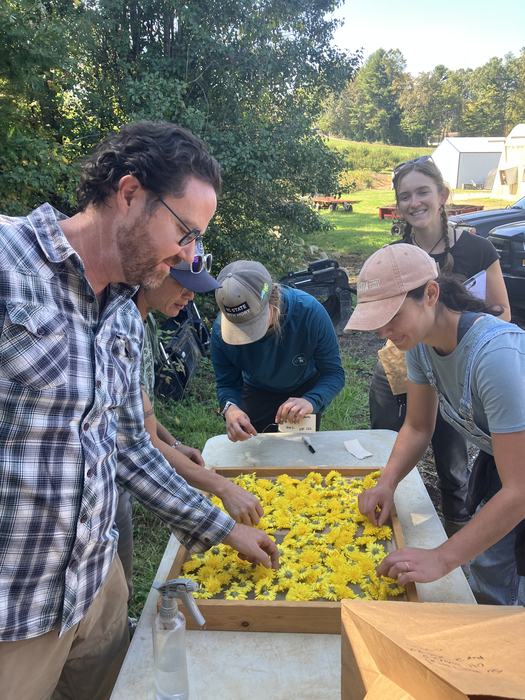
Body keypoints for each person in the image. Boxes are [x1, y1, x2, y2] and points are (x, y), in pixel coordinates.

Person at [0, 121, 278, 700]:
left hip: (96, 586)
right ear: (128, 194)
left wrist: (222, 528)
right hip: (15, 610)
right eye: (185, 231)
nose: (190, 255)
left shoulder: (125, 311)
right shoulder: (9, 264)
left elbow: (127, 445)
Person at [347, 243, 525, 606]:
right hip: (508, 463)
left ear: (431, 294)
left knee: (503, 568)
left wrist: (441, 557)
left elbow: (519, 491)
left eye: (392, 315)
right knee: (490, 561)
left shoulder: (495, 357)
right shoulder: (420, 345)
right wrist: (387, 483)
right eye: (376, 319)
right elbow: (416, 427)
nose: (383, 331)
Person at [368, 156, 511, 535]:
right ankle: (400, 503)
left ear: (443, 195)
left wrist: (456, 347)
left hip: (462, 363)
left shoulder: (476, 250)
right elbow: (416, 428)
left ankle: (457, 523)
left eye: (422, 192)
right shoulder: (398, 253)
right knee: (389, 436)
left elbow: (503, 312)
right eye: (404, 196)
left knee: (453, 458)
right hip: (409, 360)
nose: (413, 202)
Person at [116, 262, 264, 597]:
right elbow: (139, 442)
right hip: (96, 487)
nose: (190, 294)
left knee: (118, 586)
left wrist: (174, 441)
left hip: (117, 489)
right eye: (181, 282)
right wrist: (223, 489)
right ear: (149, 271)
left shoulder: (142, 321)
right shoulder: (118, 326)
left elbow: (137, 412)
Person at [210, 260, 345, 441]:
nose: (249, 337)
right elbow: (227, 383)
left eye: (254, 325)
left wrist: (312, 400)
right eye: (239, 329)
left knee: (300, 451)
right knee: (256, 454)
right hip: (256, 390)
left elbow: (334, 373)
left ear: (273, 304)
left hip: (304, 389)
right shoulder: (220, 331)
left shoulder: (309, 313)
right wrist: (230, 407)